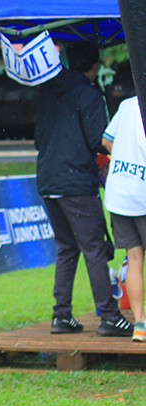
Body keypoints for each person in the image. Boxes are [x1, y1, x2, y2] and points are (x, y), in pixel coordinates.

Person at [36, 41, 132, 336]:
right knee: (95, 249)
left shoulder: (48, 90)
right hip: (76, 181)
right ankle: (110, 316)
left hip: (48, 179)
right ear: (95, 65)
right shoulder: (88, 93)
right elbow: (98, 140)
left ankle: (61, 315)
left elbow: (39, 137)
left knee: (67, 249)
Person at [102, 95, 146, 341]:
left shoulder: (127, 105)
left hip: (120, 193)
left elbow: (106, 141)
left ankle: (140, 323)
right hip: (142, 194)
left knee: (134, 258)